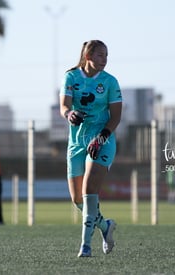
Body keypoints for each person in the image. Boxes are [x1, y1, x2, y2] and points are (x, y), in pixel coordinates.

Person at [59, 40, 122, 257]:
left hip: (102, 140)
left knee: (88, 190)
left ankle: (85, 246)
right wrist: (69, 114)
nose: (105, 59)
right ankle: (105, 227)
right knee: (78, 200)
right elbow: (64, 106)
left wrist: (102, 137)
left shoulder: (110, 82)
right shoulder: (71, 77)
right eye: (100, 55)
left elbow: (116, 117)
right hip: (76, 143)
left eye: (106, 55)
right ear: (88, 56)